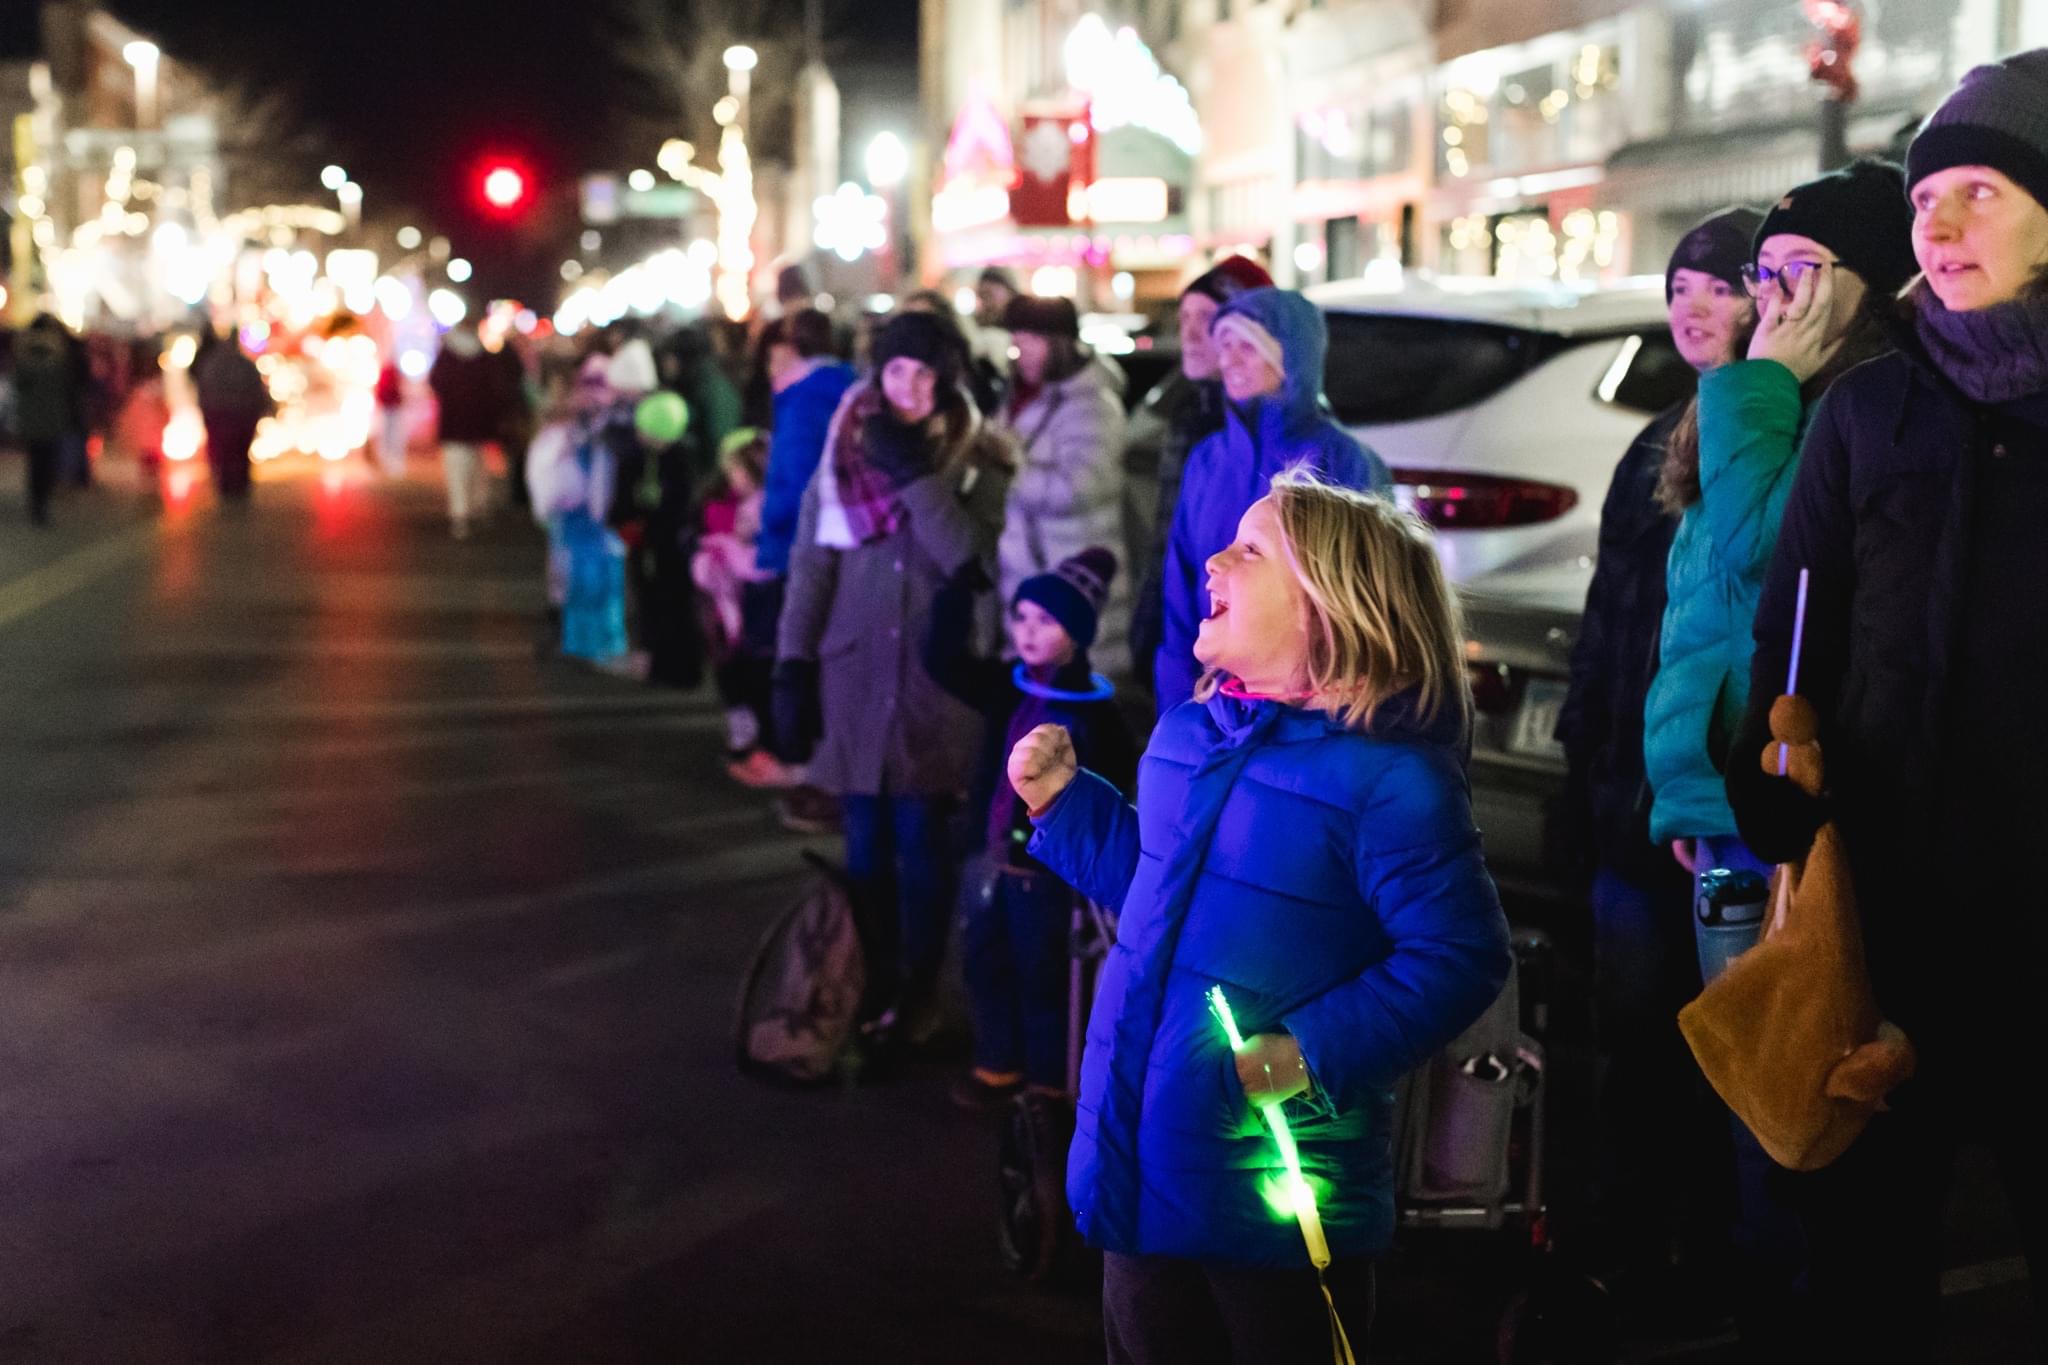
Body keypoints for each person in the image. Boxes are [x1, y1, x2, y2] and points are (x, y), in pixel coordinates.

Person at [1009, 469, 1512, 1364]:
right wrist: (1064, 808)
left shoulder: (1390, 780)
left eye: (1249, 550)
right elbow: (1155, 891)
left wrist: (1306, 1051)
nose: (1213, 560)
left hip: (1276, 1187)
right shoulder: (1186, 735)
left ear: (1332, 608)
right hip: (1141, 1154)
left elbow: (1458, 955)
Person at [1728, 51, 2048, 1360]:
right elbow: (1789, 635)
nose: (1943, 221)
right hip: (1886, 928)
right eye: (1931, 198)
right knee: (1867, 1272)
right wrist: (1781, 789)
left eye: (1981, 191)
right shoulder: (1869, 407)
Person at [1641, 158, 1915, 1349]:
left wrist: (1759, 388)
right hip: (1716, 802)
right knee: (1747, 1081)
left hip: (1786, 807)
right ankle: (1760, 1297)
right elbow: (1687, 612)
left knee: (1792, 1089)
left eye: (1805, 273)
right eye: (1768, 275)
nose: (1775, 299)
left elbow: (1763, 566)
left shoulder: (1828, 406)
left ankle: (1787, 1315)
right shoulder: (1758, 401)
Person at [1554, 206, 1762, 1314]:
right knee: (1630, 1038)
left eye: (1717, 285)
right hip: (1627, 803)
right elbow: (1607, 624)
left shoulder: (1781, 439)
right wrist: (1581, 757)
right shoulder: (1653, 441)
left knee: (1728, 1045)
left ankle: (1721, 1253)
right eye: (1679, 283)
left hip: (1720, 811)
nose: (1690, 305)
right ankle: (1634, 1237)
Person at [774, 311, 1012, 1050]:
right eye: (898, 370)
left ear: (948, 379)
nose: (910, 387)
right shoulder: (842, 449)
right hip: (853, 673)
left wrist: (914, 476)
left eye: (926, 373)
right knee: (864, 845)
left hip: (929, 683)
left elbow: (968, 557)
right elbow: (814, 564)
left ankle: (916, 989)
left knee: (920, 843)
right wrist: (791, 662)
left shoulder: (982, 457)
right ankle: (862, 979)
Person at [924, 546, 1137, 1110]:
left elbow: (1109, 794)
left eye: (1046, 620)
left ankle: (1047, 1082)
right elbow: (943, 662)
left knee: (1042, 973)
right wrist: (955, 592)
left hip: (1044, 875)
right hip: (986, 858)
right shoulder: (1006, 685)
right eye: (1021, 616)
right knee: (983, 958)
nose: (1027, 630)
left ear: (1079, 632)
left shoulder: (1097, 716)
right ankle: (997, 1065)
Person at [1154, 286, 1390, 715]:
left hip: (1303, 702)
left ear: (1292, 356)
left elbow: (1360, 596)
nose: (1229, 360)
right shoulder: (1208, 458)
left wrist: (1325, 706)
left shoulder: (1342, 460)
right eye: (1224, 345)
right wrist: (1178, 699)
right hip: (1206, 699)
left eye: (1248, 346)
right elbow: (1179, 580)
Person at [1126, 256, 1273, 691]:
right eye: (1184, 315)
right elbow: (1173, 544)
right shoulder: (1191, 415)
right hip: (1187, 643)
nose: (1188, 333)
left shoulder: (1250, 433)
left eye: (1206, 318)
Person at [743, 309, 857, 796]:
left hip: (797, 546)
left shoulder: (803, 398)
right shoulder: (844, 387)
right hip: (836, 541)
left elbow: (793, 480)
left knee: (792, 655)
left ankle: (802, 766)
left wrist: (765, 538)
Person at [994, 296, 1134, 675]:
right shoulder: (1022, 397)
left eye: (1030, 341)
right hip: (1034, 595)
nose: (1020, 352)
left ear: (1060, 343)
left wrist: (1005, 468)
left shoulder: (1092, 406)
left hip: (1072, 592)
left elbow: (1081, 487)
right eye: (1016, 341)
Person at [694, 428, 778, 778]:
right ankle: (746, 739)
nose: (731, 479)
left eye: (737, 471)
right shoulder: (737, 506)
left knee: (757, 678)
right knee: (734, 674)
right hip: (733, 609)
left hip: (757, 610)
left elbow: (763, 565)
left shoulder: (768, 511)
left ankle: (764, 746)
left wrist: (726, 551)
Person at [429, 323, 517, 538]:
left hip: (453, 422)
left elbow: (435, 381)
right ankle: (478, 506)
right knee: (478, 468)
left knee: (456, 469)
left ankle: (460, 513)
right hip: (480, 423)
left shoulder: (447, 355)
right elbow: (497, 388)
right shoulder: (484, 356)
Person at [10, 314, 81, 525]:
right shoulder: (58, 353)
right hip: (52, 416)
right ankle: (41, 504)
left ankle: (36, 503)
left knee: (36, 462)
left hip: (32, 416)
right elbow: (68, 385)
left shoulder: (24, 351)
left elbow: (18, 382)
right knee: (47, 461)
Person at [193, 326, 271, 503]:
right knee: (238, 452)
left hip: (222, 414)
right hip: (240, 415)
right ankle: (238, 487)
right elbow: (257, 391)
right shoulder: (245, 365)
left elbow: (204, 391)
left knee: (225, 452)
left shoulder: (212, 365)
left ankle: (228, 487)